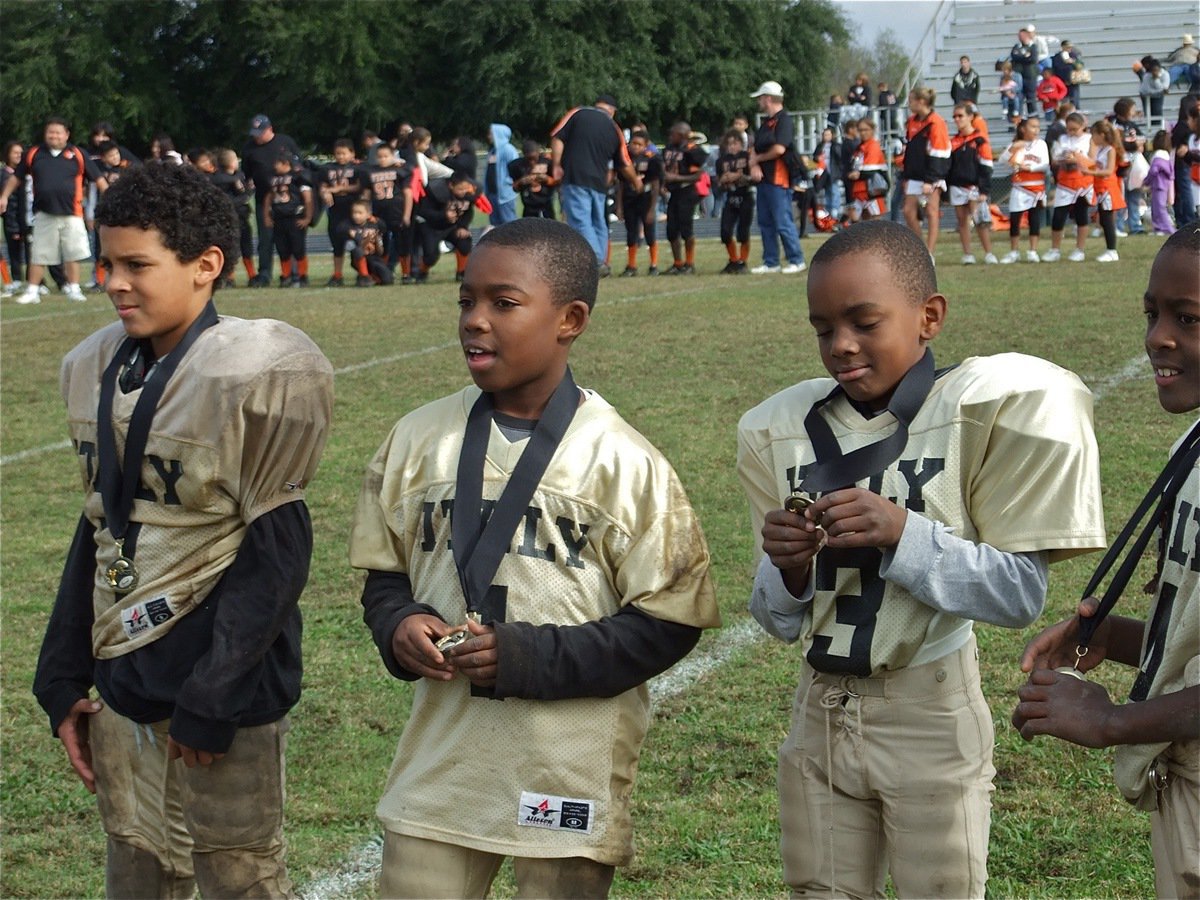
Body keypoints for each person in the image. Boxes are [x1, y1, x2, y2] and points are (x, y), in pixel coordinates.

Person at [348, 216, 720, 899]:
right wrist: (397, 625)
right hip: (441, 767)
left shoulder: (624, 462)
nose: (474, 321)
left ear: (570, 318)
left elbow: (669, 624)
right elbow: (386, 576)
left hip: (564, 765)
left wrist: (525, 657)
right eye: (466, 301)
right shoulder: (417, 437)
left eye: (503, 303)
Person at [736, 218, 1105, 899]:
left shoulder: (980, 405)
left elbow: (1019, 594)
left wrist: (902, 533)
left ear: (929, 316)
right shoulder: (780, 427)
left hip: (929, 707)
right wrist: (786, 570)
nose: (841, 345)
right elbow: (780, 620)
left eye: (864, 322)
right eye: (823, 328)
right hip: (817, 708)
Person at [31, 162, 333, 899]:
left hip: (220, 679)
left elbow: (278, 552)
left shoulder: (258, 369)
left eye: (138, 264)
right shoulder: (93, 364)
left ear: (205, 267)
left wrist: (215, 691)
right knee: (135, 868)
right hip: (123, 666)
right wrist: (63, 671)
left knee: (240, 874)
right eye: (106, 263)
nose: (114, 282)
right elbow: (101, 524)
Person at [1012, 226, 1200, 900]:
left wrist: (1113, 721)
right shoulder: (1195, 440)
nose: (1157, 337)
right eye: (1153, 314)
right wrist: (1116, 637)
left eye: (1189, 318)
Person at [0, 117, 108, 305]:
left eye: (58, 132)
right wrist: (4, 196)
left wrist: (112, 197)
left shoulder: (78, 154)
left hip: (72, 214)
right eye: (51, 132)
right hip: (43, 214)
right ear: (45, 133)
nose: (54, 136)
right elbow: (16, 178)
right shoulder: (34, 153)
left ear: (66, 134)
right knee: (39, 254)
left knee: (72, 253)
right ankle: (33, 290)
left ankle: (73, 288)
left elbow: (98, 179)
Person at [551, 93, 641, 272]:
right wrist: (635, 181)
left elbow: (557, 137)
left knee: (581, 219)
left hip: (576, 177)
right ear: (612, 111)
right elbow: (624, 162)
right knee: (598, 221)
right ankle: (601, 261)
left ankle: (596, 261)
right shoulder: (615, 129)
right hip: (599, 182)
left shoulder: (577, 113)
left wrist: (556, 164)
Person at [749, 79, 805, 274]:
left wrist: (757, 159)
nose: (759, 102)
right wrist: (754, 162)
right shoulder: (767, 123)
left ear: (768, 98)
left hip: (778, 178)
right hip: (764, 179)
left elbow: (779, 148)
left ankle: (796, 259)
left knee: (782, 220)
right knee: (765, 221)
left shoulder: (784, 120)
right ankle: (771, 261)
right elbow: (755, 148)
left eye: (761, 98)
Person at [240, 114, 301, 287]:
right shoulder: (249, 148)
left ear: (270, 129)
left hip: (288, 200)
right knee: (265, 238)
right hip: (264, 199)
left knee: (289, 238)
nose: (256, 137)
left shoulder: (285, 142)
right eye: (254, 133)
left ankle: (293, 274)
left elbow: (299, 167)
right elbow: (247, 173)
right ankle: (264, 273)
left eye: (260, 132)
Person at [900, 86, 951, 257]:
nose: (909, 104)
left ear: (921, 101)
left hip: (931, 175)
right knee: (908, 211)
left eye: (911, 100)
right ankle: (920, 247)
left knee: (931, 210)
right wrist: (906, 175)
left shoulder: (936, 122)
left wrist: (931, 179)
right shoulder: (912, 122)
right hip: (914, 175)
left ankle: (929, 252)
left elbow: (940, 151)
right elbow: (909, 150)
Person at [948, 104, 996, 264]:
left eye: (960, 116)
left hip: (974, 186)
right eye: (955, 116)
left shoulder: (980, 139)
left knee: (980, 220)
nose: (957, 119)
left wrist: (984, 189)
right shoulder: (953, 141)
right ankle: (968, 253)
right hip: (957, 185)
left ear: (970, 117)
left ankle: (989, 253)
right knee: (962, 220)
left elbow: (986, 165)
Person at [1000, 116, 1051, 264]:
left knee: (1034, 219)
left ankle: (1032, 251)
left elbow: (1045, 164)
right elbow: (1003, 161)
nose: (1036, 130)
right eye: (1033, 126)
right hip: (1019, 187)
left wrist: (1028, 168)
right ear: (1023, 129)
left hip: (1036, 187)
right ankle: (1014, 251)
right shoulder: (1016, 144)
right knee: (1015, 219)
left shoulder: (1041, 144)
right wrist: (1013, 148)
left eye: (1038, 127)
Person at [1044, 111, 1093, 262]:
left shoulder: (1089, 139)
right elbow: (1055, 158)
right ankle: (1055, 249)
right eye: (1069, 129)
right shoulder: (1063, 139)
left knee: (1081, 215)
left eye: (1074, 129)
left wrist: (1077, 158)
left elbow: (1092, 160)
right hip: (1065, 181)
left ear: (1082, 126)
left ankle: (1080, 249)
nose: (1071, 132)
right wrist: (1063, 158)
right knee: (1059, 216)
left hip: (1082, 182)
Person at [412, 170, 478, 283]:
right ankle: (422, 272)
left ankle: (461, 272)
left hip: (452, 227)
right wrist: (443, 215)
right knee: (431, 256)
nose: (464, 192)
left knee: (465, 240)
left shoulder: (469, 193)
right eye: (460, 189)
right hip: (432, 227)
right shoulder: (435, 191)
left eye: (466, 188)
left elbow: (468, 211)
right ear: (451, 185)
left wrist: (463, 226)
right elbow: (423, 212)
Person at [318, 138, 367, 287]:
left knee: (358, 243)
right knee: (337, 245)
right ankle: (337, 274)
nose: (341, 157)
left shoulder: (358, 168)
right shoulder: (327, 168)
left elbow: (359, 187)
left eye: (344, 153)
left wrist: (339, 189)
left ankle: (363, 274)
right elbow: (322, 186)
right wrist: (325, 193)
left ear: (352, 153)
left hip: (353, 211)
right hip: (335, 211)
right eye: (338, 153)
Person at [362, 142, 415, 281]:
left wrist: (407, 215)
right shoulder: (371, 171)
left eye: (386, 156)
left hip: (397, 212)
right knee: (380, 245)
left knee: (403, 244)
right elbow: (366, 196)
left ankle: (406, 273)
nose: (383, 159)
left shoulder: (401, 170)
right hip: (378, 214)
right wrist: (367, 214)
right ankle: (383, 273)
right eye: (380, 156)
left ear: (393, 156)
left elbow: (408, 194)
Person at [660, 121, 707, 275]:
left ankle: (689, 263)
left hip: (687, 192)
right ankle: (677, 263)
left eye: (673, 134)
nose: (670, 137)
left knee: (686, 229)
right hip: (674, 193)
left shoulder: (692, 150)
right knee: (672, 230)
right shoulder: (669, 149)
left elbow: (697, 175)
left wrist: (676, 178)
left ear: (681, 135)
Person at [263, 151, 314, 288]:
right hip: (279, 218)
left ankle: (303, 275)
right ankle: (286, 276)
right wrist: (267, 215)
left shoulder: (299, 177)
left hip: (295, 217)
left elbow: (307, 197)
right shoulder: (272, 178)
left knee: (298, 249)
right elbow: (268, 197)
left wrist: (308, 217)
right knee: (282, 249)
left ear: (286, 164)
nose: (274, 166)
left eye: (277, 163)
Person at [615, 129, 661, 276]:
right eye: (633, 143)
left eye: (639, 144)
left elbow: (655, 184)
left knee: (649, 233)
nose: (635, 146)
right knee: (631, 233)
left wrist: (652, 208)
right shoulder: (625, 159)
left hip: (646, 199)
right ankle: (631, 265)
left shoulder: (652, 159)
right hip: (630, 198)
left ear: (646, 145)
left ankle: (654, 264)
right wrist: (619, 206)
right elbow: (621, 185)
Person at [1081, 119, 1127, 262]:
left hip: (1108, 187)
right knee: (1103, 218)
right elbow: (1092, 160)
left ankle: (1112, 250)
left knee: (1107, 220)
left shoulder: (1110, 150)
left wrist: (1090, 173)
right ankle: (1109, 249)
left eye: (1094, 135)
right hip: (1100, 188)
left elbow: (1108, 171)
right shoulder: (1100, 149)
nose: (1092, 138)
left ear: (1101, 134)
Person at [210, 149, 255, 287]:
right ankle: (229, 277)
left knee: (246, 248)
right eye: (235, 159)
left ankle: (252, 275)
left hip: (242, 218)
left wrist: (248, 190)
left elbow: (244, 192)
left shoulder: (239, 176)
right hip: (228, 220)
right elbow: (232, 199)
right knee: (231, 248)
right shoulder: (220, 180)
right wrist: (244, 195)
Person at [716, 129, 754, 274]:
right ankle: (733, 260)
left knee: (743, 231)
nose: (732, 146)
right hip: (731, 197)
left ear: (741, 144)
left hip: (746, 196)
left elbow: (752, 178)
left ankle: (742, 262)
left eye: (735, 143)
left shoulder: (747, 157)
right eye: (729, 144)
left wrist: (738, 176)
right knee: (725, 232)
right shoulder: (721, 161)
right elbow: (719, 182)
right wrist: (724, 180)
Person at [1113, 98, 1148, 236]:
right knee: (1121, 197)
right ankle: (1119, 226)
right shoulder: (1115, 125)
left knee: (1134, 196)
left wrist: (1138, 144)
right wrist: (1134, 145)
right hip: (1121, 165)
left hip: (1134, 166)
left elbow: (1143, 139)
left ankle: (1135, 225)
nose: (1134, 112)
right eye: (1132, 109)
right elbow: (1118, 143)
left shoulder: (1132, 125)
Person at [844, 117, 888, 224]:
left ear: (872, 130)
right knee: (863, 223)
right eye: (860, 130)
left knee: (875, 223)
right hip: (860, 190)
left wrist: (856, 174)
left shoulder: (873, 145)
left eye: (866, 129)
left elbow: (870, 168)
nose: (863, 133)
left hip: (873, 189)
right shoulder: (860, 147)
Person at [1, 140, 28, 296]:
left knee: (33, 253)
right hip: (12, 220)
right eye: (15, 152)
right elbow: (9, 204)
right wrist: (13, 225)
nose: (19, 155)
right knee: (14, 252)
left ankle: (37, 282)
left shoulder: (25, 173)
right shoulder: (4, 175)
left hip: (27, 219)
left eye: (20, 152)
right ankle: (15, 280)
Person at [346, 197, 392, 287]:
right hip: (359, 259)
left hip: (374, 258)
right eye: (354, 213)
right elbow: (357, 249)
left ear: (368, 214)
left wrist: (377, 240)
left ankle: (372, 277)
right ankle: (364, 276)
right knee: (357, 251)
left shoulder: (375, 225)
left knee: (387, 280)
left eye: (360, 213)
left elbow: (380, 252)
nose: (356, 216)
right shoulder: (351, 227)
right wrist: (367, 240)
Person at [509, 139, 556, 219]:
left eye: (534, 158)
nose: (532, 162)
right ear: (524, 155)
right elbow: (515, 188)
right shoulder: (517, 165)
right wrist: (521, 181)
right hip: (529, 206)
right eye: (529, 159)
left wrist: (546, 179)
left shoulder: (547, 162)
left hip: (546, 205)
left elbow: (557, 182)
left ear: (538, 153)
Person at [1172, 96, 1200, 228]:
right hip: (1188, 169)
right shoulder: (1188, 133)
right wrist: (1186, 154)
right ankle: (1190, 220)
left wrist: (1188, 153)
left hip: (1189, 168)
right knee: (1188, 194)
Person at [485, 123, 519, 227]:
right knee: (495, 224)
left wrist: (508, 183)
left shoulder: (509, 149)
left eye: (491, 134)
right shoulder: (492, 151)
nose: (489, 136)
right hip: (492, 194)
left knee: (508, 223)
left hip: (505, 195)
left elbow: (515, 168)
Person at [1146, 130, 1176, 235]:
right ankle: (1159, 228)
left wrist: (1146, 181)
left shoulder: (1157, 154)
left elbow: (1154, 170)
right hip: (1164, 185)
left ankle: (1166, 228)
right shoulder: (1166, 154)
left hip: (1158, 185)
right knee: (1158, 207)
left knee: (1159, 208)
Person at [1011, 28, 1041, 116]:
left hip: (1030, 75)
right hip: (1019, 76)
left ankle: (1033, 115)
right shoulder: (1017, 46)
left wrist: (1021, 57)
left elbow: (1033, 59)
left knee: (1031, 96)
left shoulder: (1033, 46)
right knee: (1018, 96)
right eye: (1019, 36)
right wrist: (1025, 57)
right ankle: (1019, 117)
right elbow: (1014, 56)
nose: (1020, 37)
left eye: (1022, 35)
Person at [1141, 59, 1172, 124]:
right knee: (1148, 111)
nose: (1155, 72)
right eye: (1153, 70)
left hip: (1158, 96)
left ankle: (1158, 125)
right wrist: (1160, 91)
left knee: (1157, 110)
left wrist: (1156, 80)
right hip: (1145, 95)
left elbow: (1164, 87)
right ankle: (1149, 124)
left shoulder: (1165, 74)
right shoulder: (1147, 76)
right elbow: (1147, 90)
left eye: (1156, 70)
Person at [997, 62, 1023, 127]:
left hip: (1016, 96)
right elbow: (1002, 86)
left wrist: (1011, 91)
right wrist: (1006, 92)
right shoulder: (1003, 77)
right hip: (1006, 96)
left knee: (1017, 113)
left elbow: (1019, 87)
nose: (1003, 72)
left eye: (1005, 70)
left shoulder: (1017, 76)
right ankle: (1010, 126)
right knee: (1009, 114)